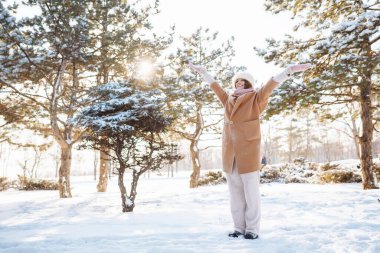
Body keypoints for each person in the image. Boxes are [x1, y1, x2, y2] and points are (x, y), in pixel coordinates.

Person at [188, 62, 311, 240]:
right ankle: (239, 227)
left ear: (249, 84)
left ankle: (252, 229)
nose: (239, 84)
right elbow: (216, 87)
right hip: (230, 154)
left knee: (251, 195)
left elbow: (271, 85)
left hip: (248, 152)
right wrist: (203, 72)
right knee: (235, 195)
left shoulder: (256, 98)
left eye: (243, 82)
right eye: (237, 81)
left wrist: (289, 71)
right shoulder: (228, 99)